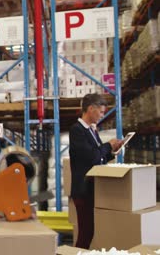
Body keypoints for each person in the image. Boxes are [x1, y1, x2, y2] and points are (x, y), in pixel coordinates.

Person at [69, 93, 122, 249]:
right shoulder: (77, 130)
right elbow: (92, 156)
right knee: (85, 233)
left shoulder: (92, 131)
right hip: (83, 189)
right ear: (91, 109)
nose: (102, 115)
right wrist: (108, 145)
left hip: (92, 188)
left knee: (89, 232)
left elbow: (99, 157)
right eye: (101, 111)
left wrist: (112, 152)